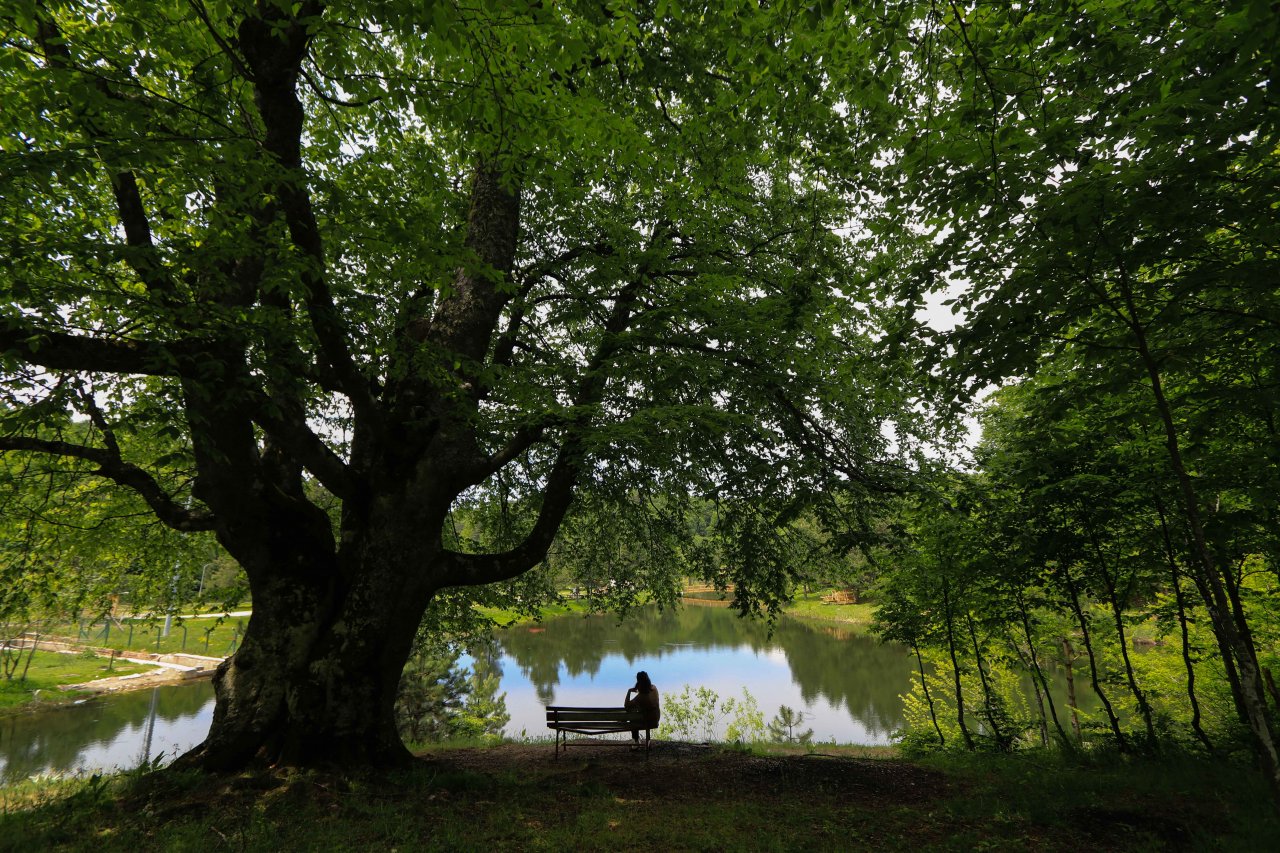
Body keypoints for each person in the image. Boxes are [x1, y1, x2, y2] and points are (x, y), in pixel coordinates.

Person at [624, 670, 660, 748]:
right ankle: (648, 740)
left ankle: (636, 741)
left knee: (633, 717)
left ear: (638, 682)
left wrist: (629, 691)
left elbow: (626, 706)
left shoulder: (640, 697)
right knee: (645, 712)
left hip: (647, 721)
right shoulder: (654, 688)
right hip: (655, 719)